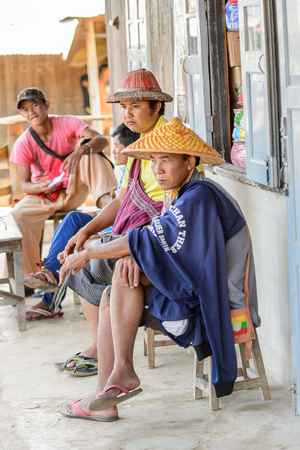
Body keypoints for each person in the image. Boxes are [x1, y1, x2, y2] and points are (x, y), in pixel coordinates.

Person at [58, 117, 260, 421]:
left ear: (190, 161)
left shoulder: (201, 197)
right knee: (120, 282)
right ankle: (110, 388)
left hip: (215, 300)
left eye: (165, 159)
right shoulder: (185, 193)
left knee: (120, 285)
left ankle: (117, 380)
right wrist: (137, 254)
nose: (157, 169)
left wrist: (89, 253)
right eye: (153, 160)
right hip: (199, 283)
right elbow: (162, 241)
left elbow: (159, 242)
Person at [54, 69, 185, 374]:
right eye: (124, 108)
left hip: (156, 246)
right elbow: (123, 199)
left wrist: (136, 251)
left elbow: (175, 212)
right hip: (135, 238)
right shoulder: (141, 145)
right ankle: (105, 348)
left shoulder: (169, 145)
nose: (127, 114)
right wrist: (85, 230)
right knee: (80, 251)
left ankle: (106, 352)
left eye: (136, 106)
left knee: (81, 265)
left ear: (157, 107)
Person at [23, 123, 139, 321]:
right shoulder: (127, 169)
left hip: (122, 227)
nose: (114, 149)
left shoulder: (139, 168)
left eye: (118, 145)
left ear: (130, 147)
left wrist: (93, 223)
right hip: (112, 217)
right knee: (73, 219)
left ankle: (50, 294)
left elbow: (125, 206)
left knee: (75, 242)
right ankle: (50, 273)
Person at [9, 87, 117, 288]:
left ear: (46, 105)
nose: (31, 111)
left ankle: (109, 206)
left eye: (35, 105)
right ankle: (35, 278)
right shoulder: (23, 142)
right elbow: (24, 184)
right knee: (18, 213)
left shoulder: (67, 122)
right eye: (25, 109)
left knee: (90, 152)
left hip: (73, 188)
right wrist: (39, 186)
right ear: (22, 114)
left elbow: (101, 140)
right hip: (45, 194)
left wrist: (81, 150)